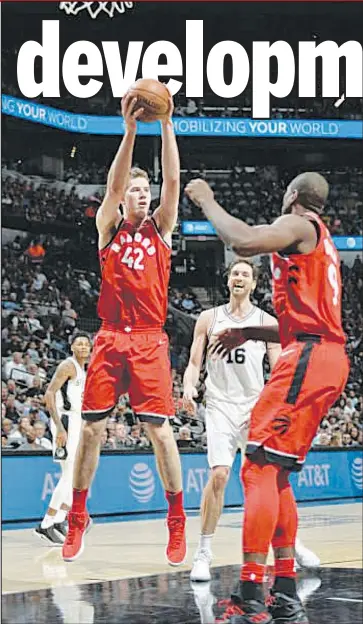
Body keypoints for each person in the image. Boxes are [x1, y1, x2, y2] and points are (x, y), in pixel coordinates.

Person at [185, 172, 349, 624]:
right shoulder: (322, 243)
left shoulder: (299, 224)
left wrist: (208, 201)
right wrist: (249, 330)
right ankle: (285, 590)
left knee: (256, 466)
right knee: (274, 474)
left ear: (292, 196)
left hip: (310, 356)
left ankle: (252, 593)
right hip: (322, 355)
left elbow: (243, 241)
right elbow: (300, 321)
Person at [62, 91, 186, 566]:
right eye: (134, 189)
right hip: (112, 336)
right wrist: (132, 131)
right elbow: (112, 188)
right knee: (90, 430)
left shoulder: (162, 228)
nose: (140, 193)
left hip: (151, 339)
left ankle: (175, 519)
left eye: (144, 189)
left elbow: (173, 179)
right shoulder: (109, 228)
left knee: (161, 434)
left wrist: (168, 124)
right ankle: (77, 516)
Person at [183, 258, 319, 584]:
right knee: (219, 475)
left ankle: (290, 544)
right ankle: (204, 552)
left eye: (245, 274)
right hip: (219, 406)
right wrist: (189, 386)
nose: (239, 277)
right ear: (228, 281)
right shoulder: (208, 318)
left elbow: (278, 371)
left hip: (255, 408)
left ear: (254, 284)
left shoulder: (265, 323)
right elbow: (193, 362)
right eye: (235, 273)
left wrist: (280, 407)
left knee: (270, 482)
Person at [34, 333, 91, 545]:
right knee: (69, 476)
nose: (83, 346)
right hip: (65, 422)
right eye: (79, 343)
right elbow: (49, 394)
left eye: (86, 344)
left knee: (74, 476)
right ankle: (46, 524)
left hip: (77, 421)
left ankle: (59, 519)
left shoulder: (82, 369)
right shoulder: (67, 366)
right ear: (72, 346)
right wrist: (59, 427)